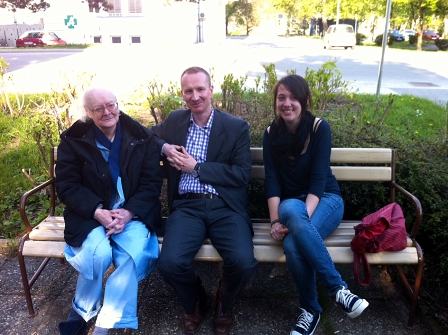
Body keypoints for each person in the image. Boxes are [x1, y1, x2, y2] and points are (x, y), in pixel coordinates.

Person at [150, 66, 258, 334]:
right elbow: (146, 136)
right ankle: (194, 299)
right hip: (187, 206)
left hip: (226, 206)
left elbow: (242, 175)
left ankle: (224, 300)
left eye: (200, 89)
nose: (195, 96)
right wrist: (164, 147)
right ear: (182, 94)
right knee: (170, 263)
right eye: (189, 91)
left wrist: (197, 168)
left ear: (211, 90)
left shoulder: (235, 127)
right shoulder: (175, 121)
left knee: (244, 262)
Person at [263, 74, 369, 335]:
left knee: (292, 217)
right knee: (290, 234)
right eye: (281, 98)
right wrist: (276, 221)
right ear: (276, 101)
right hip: (291, 205)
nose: (287, 103)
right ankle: (337, 293)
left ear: (305, 100)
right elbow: (272, 181)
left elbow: (319, 180)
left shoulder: (319, 128)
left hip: (326, 200)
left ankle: (314, 307)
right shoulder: (270, 135)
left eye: (294, 97)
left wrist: (299, 221)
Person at [55, 88, 162, 335]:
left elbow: (151, 184)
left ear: (118, 104)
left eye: (111, 105)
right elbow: (67, 185)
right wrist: (98, 211)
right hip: (89, 215)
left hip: (133, 215)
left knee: (131, 256)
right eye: (98, 108)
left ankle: (105, 323)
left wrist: (128, 212)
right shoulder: (73, 141)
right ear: (88, 113)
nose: (107, 112)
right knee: (98, 253)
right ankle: (83, 309)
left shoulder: (141, 137)